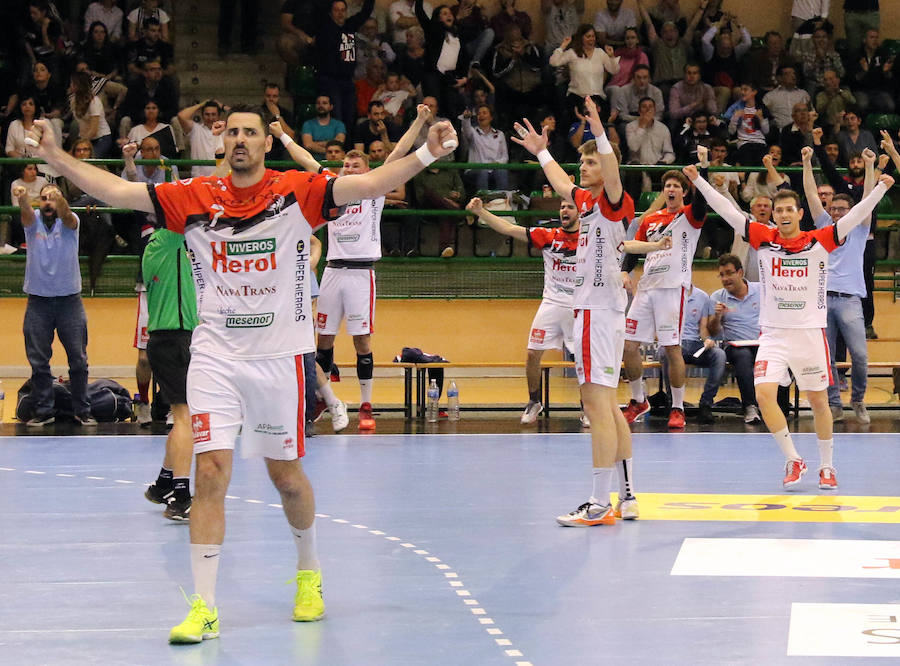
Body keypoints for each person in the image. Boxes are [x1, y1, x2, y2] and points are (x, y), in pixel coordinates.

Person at [27, 97, 458, 641]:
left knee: (287, 479)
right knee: (209, 473)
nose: (239, 140)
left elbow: (369, 186)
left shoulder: (296, 193)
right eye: (230, 132)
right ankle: (204, 605)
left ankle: (309, 572)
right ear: (220, 142)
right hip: (216, 357)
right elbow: (116, 191)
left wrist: (425, 153)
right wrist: (56, 156)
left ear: (266, 141)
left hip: (278, 358)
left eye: (249, 132)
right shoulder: (195, 198)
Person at [684, 160, 893, 490]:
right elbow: (726, 209)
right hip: (774, 334)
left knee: (820, 401)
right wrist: (700, 182)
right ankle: (794, 459)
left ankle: (827, 465)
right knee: (765, 395)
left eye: (788, 210)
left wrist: (881, 187)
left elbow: (854, 217)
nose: (782, 214)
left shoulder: (820, 239)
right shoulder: (763, 238)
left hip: (809, 334)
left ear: (799, 214)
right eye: (778, 209)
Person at [512, 96, 641, 526]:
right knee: (609, 406)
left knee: (597, 405)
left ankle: (597, 501)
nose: (582, 169)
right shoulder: (585, 202)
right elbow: (557, 177)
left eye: (589, 163)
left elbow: (611, 163)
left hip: (595, 312)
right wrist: (540, 152)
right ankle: (626, 495)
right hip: (604, 314)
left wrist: (599, 129)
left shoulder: (616, 201)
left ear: (606, 168)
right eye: (582, 163)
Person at [316, 106, 435, 431]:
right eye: (345, 164)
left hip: (359, 273)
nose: (348, 167)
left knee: (361, 343)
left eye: (355, 164)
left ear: (368, 171)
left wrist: (421, 120)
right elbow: (305, 161)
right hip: (331, 271)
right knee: (322, 342)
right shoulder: (332, 190)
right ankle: (323, 402)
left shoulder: (374, 191)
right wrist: (283, 136)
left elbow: (397, 153)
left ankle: (366, 405)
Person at [465, 197, 585, 425]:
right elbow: (509, 228)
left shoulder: (588, 240)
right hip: (551, 302)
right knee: (532, 354)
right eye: (562, 207)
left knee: (582, 360)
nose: (564, 211)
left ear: (580, 213)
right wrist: (481, 212)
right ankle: (534, 401)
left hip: (578, 305)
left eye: (570, 207)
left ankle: (587, 407)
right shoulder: (549, 236)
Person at [620, 143, 710, 430]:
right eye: (668, 185)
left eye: (676, 186)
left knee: (672, 349)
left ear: (683, 191)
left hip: (673, 288)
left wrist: (702, 170)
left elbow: (702, 202)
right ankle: (638, 400)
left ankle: (678, 407)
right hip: (647, 288)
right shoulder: (651, 219)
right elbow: (635, 249)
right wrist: (625, 271)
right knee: (628, 345)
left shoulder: (690, 216)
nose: (671, 189)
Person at [802, 145, 874, 424]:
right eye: (834, 209)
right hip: (822, 299)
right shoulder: (824, 225)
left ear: (852, 211)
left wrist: (869, 167)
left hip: (850, 300)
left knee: (859, 354)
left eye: (843, 209)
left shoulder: (858, 228)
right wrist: (807, 163)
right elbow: (810, 195)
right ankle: (834, 404)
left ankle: (857, 399)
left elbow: (868, 199)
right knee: (826, 356)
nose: (837, 213)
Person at [13, 182, 94, 427]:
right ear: (39, 203)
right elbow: (26, 215)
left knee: (78, 359)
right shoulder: (33, 220)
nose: (48, 203)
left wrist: (61, 202)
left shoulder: (71, 222)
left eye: (53, 198)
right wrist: (24, 198)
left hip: (70, 301)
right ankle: (44, 410)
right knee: (39, 361)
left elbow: (68, 216)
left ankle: (83, 410)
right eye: (44, 198)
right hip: (38, 302)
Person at [141, 225, 197, 520]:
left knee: (180, 416)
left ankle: (164, 482)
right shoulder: (170, 240)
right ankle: (181, 495)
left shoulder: (155, 245)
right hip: (176, 340)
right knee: (185, 419)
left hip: (167, 341)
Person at [706, 254, 764, 423]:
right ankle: (750, 407)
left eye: (729, 273)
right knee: (743, 356)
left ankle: (779, 406)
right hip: (735, 346)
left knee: (778, 354)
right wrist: (717, 317)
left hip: (762, 343)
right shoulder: (717, 297)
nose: (725, 279)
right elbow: (713, 332)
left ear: (740, 272)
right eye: (722, 275)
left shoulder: (761, 290)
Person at [316, 0, 375, 133]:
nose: (340, 13)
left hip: (348, 80)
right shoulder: (326, 28)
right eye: (337, 10)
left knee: (350, 115)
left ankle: (348, 147)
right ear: (331, 12)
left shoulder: (350, 25)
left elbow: (365, 12)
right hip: (331, 80)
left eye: (343, 10)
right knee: (337, 115)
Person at [549, 26, 619, 119]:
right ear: (581, 38)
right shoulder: (572, 53)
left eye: (593, 36)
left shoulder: (600, 53)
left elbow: (614, 70)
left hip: (597, 97)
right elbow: (554, 62)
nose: (591, 39)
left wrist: (611, 56)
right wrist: (563, 46)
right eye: (588, 36)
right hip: (577, 97)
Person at [679, 283, 725, 424]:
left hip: (695, 345)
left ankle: (706, 404)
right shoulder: (666, 294)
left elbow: (703, 329)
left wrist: (707, 340)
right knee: (667, 355)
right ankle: (675, 406)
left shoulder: (702, 297)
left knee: (719, 355)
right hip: (674, 343)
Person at [458, 104, 509, 191]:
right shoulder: (473, 132)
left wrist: (496, 164)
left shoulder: (500, 134)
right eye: (479, 113)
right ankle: (483, 201)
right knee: (483, 171)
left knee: (502, 171)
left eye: (484, 113)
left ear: (491, 117)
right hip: (474, 171)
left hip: (494, 169)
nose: (481, 115)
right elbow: (466, 129)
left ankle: (501, 200)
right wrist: (466, 118)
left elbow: (505, 157)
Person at [69, 70, 114, 158]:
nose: (70, 85)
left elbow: (94, 130)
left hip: (101, 138)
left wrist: (82, 142)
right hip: (83, 138)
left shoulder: (94, 102)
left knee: (91, 160)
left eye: (72, 83)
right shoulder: (73, 101)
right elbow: (81, 125)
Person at [177, 99, 225, 178]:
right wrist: (201, 104)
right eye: (207, 114)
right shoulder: (196, 129)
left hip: (221, 178)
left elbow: (239, 116)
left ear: (219, 116)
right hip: (199, 179)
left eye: (213, 114)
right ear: (202, 115)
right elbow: (181, 116)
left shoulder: (225, 131)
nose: (210, 118)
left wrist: (223, 106)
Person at [301, 95, 348, 161]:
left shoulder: (339, 124)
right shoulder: (308, 124)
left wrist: (316, 144)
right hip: (312, 162)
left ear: (331, 107)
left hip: (334, 163)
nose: (321, 105)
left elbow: (339, 142)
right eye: (318, 103)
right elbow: (308, 145)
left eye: (324, 103)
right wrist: (329, 148)